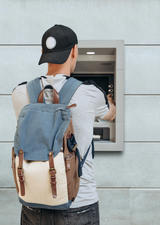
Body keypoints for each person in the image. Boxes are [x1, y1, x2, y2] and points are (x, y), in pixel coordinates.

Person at [12, 24, 116, 225]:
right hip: (79, 205)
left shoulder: (19, 93)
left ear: (43, 53)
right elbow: (110, 115)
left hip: (33, 204)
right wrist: (110, 101)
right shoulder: (91, 93)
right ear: (75, 51)